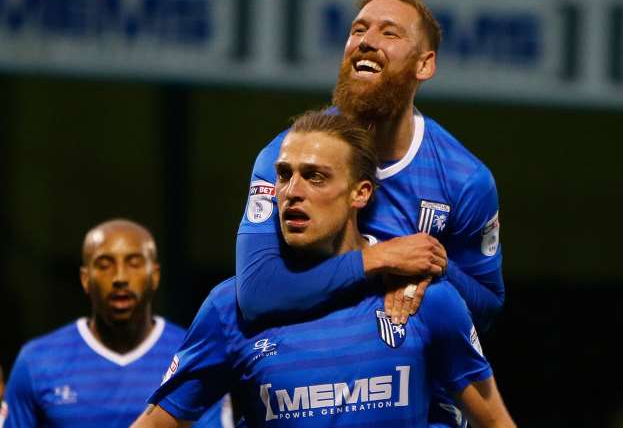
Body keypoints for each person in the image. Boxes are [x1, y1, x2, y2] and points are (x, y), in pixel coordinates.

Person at [132, 112, 514, 428]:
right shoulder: (228, 309)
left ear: (360, 193)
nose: (292, 192)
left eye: (315, 176)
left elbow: (494, 422)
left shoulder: (423, 299)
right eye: (284, 175)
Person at [236, 0, 504, 426]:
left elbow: (488, 306)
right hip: (303, 396)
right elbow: (257, 293)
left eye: (389, 32)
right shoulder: (287, 158)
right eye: (358, 30)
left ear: (425, 65)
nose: (366, 41)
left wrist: (430, 265)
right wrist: (382, 259)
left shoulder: (465, 180)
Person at [3, 219, 231, 428]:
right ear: (85, 279)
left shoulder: (197, 356)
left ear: (155, 275)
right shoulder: (37, 361)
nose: (120, 277)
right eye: (104, 264)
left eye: (134, 263)